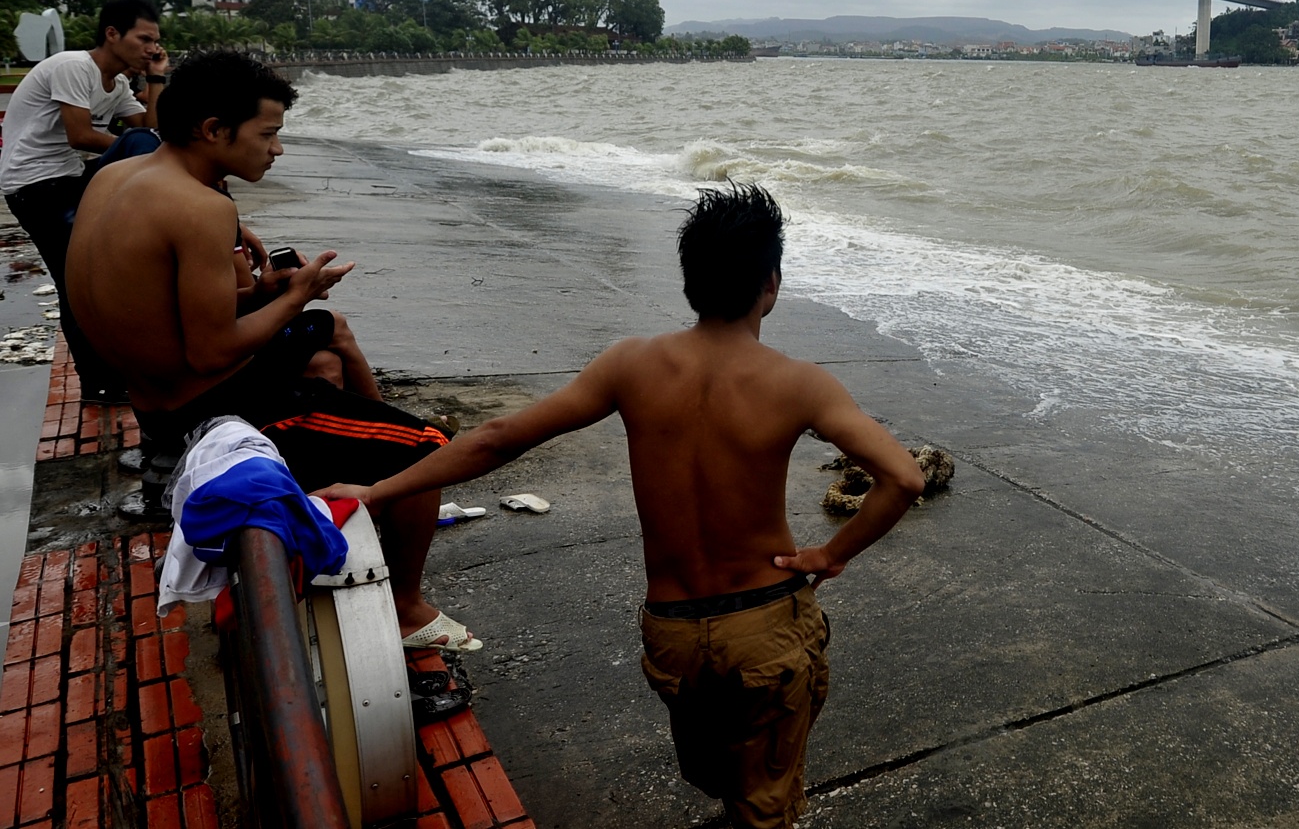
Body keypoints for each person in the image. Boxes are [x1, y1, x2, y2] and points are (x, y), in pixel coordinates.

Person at [318, 184, 926, 829]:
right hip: (764, 619)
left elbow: (497, 439)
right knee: (765, 796)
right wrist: (831, 554)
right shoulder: (800, 382)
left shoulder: (630, 364)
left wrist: (376, 491)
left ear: (690, 279)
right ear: (770, 283)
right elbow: (903, 478)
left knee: (714, 770)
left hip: (674, 628)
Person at [66, 51, 474, 650]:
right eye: (268, 134)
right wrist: (297, 294)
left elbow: (158, 303)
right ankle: (408, 611)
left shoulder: (114, 177)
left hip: (152, 398)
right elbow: (210, 352)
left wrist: (263, 291)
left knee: (324, 341)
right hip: (210, 407)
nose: (276, 149)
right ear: (213, 130)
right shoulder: (202, 207)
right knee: (426, 453)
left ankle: (357, 476)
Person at [0, 0, 167, 400]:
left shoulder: (119, 83)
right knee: (76, 282)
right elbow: (81, 135)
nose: (152, 49)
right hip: (35, 184)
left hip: (69, 177)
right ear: (112, 34)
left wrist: (157, 79)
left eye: (156, 42)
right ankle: (100, 384)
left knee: (145, 142)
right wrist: (146, 156)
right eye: (144, 39)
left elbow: (151, 126)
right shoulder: (75, 66)